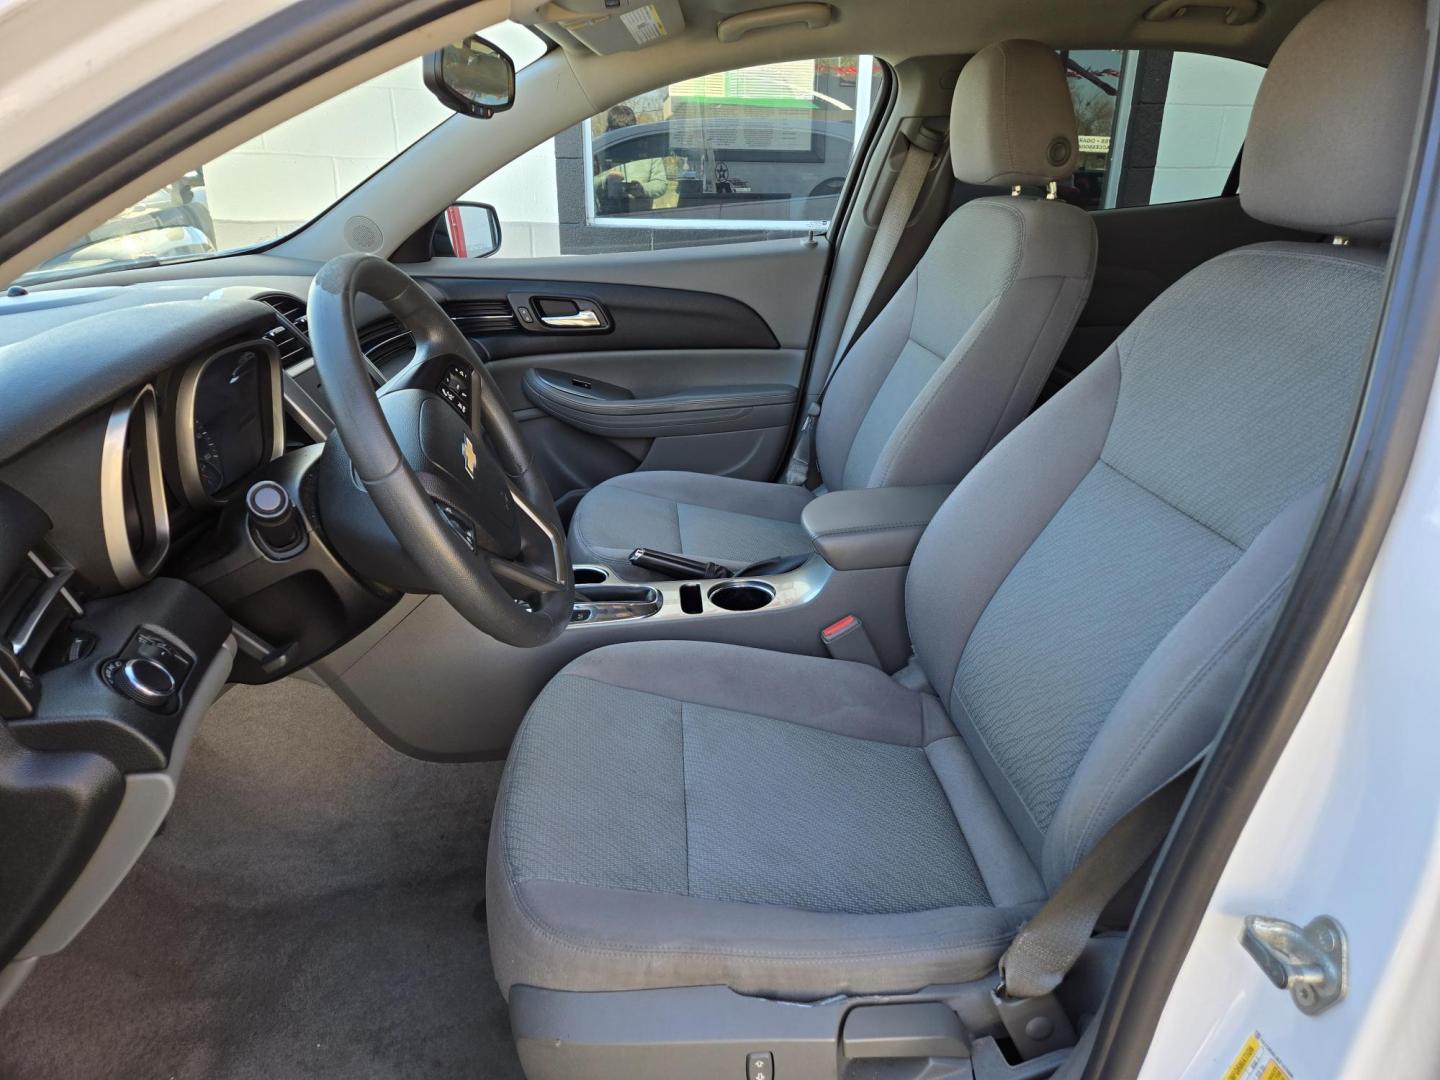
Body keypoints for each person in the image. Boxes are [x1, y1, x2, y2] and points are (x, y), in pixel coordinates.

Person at [593, 104, 668, 214]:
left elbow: (661, 184)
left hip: (640, 216)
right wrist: (605, 181)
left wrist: (642, 189)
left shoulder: (649, 152)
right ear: (610, 129)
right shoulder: (599, 150)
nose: (623, 140)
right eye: (617, 134)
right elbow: (585, 184)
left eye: (627, 133)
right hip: (606, 216)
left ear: (634, 129)